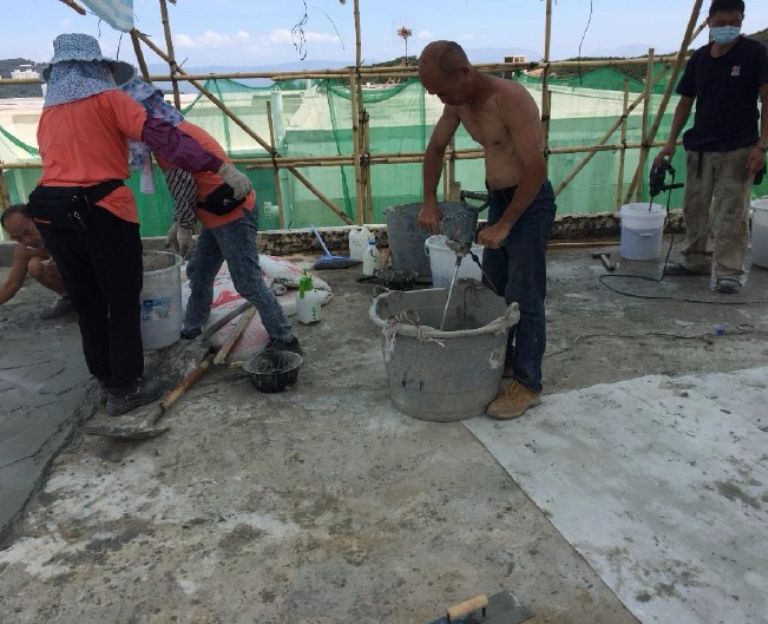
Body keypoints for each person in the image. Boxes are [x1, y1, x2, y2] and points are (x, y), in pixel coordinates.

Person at [30, 33, 254, 417]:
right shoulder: (109, 99)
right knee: (121, 300)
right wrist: (219, 166)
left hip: (52, 214)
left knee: (87, 302)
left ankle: (105, 378)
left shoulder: (49, 113)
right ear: (97, 67)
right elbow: (163, 137)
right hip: (100, 212)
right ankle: (126, 388)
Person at [417, 41, 557, 420]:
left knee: (525, 293)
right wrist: (429, 202)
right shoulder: (457, 102)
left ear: (464, 72)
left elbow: (536, 169)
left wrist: (506, 224)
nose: (442, 99)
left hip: (529, 203)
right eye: (435, 94)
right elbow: (435, 150)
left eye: (443, 91)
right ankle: (507, 359)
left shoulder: (510, 99)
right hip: (499, 200)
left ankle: (528, 384)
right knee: (495, 289)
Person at [119, 71, 300, 354]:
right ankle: (193, 328)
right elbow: (189, 183)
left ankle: (286, 339)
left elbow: (184, 186)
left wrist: (183, 225)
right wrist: (180, 222)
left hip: (232, 216)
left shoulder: (170, 141)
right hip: (215, 215)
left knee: (248, 283)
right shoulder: (172, 131)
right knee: (200, 271)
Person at [654, 0, 768, 294]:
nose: (728, 28)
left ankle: (729, 271)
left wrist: (762, 145)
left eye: (734, 22)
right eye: (721, 23)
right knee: (695, 207)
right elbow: (685, 101)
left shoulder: (754, 53)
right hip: (700, 147)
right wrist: (670, 142)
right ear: (709, 22)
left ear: (742, 21)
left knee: (731, 212)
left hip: (738, 148)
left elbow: (767, 99)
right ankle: (696, 260)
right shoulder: (700, 58)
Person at [0, 204, 73, 318]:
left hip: (91, 275)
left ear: (37, 221)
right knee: (35, 266)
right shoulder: (24, 249)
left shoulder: (62, 232)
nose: (27, 240)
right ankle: (70, 299)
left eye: (27, 232)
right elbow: (12, 284)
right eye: (18, 238)